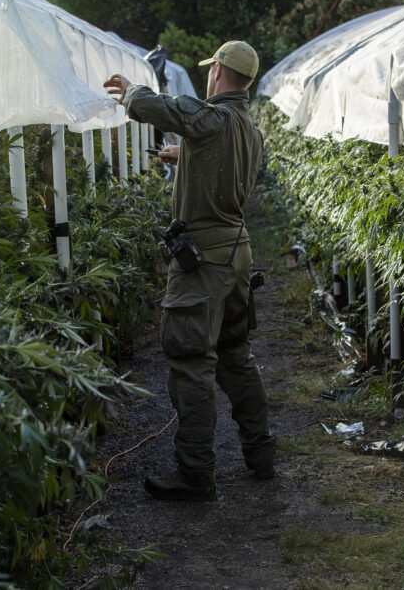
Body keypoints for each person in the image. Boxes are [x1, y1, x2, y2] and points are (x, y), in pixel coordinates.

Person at [103, 40, 276, 502]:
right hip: (237, 252)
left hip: (204, 260)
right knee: (235, 355)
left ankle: (196, 473)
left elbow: (176, 111)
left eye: (210, 69)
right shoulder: (247, 128)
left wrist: (133, 93)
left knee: (191, 363)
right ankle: (261, 454)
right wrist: (186, 158)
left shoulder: (213, 117)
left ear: (217, 71)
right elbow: (230, 169)